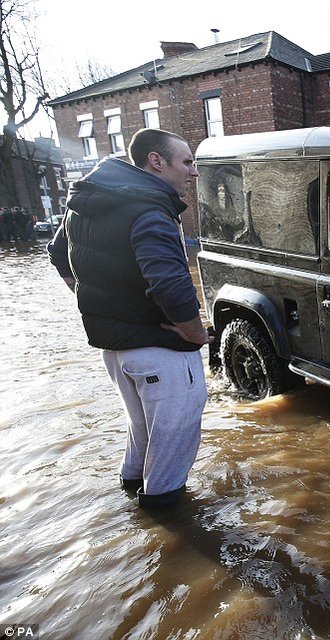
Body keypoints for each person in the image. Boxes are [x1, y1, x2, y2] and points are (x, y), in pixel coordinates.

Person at [47, 128, 210, 509]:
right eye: (187, 162)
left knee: (142, 435)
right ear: (156, 161)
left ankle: (131, 517)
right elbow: (171, 282)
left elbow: (58, 254)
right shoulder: (151, 207)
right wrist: (195, 333)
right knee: (171, 449)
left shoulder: (88, 199)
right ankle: (171, 538)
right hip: (160, 351)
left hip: (117, 352)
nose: (194, 172)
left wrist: (100, 302)